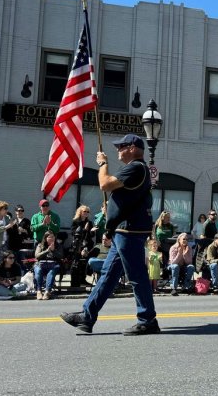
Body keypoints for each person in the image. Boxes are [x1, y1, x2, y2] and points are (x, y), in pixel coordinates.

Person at [60, 134, 160, 335]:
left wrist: (102, 164)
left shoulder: (136, 167)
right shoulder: (138, 169)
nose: (118, 150)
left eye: (121, 146)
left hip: (129, 230)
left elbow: (104, 183)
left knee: (137, 275)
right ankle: (87, 316)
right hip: (123, 229)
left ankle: (147, 319)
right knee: (108, 275)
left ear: (132, 148)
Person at [34, 230, 64, 300]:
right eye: (49, 237)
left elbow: (61, 256)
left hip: (53, 264)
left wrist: (53, 250)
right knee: (38, 270)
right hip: (41, 264)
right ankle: (39, 291)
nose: (52, 239)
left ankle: (47, 291)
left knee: (51, 272)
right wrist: (47, 251)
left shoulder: (58, 245)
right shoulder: (40, 245)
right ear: (45, 238)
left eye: (53, 237)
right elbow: (37, 256)